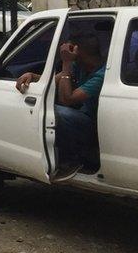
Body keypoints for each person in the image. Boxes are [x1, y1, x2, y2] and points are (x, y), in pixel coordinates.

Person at [15, 31, 105, 182]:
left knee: (54, 112)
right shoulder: (81, 66)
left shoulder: (100, 75)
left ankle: (74, 158)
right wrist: (32, 76)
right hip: (82, 116)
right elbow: (52, 81)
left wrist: (67, 63)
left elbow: (67, 99)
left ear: (79, 52)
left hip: (95, 126)